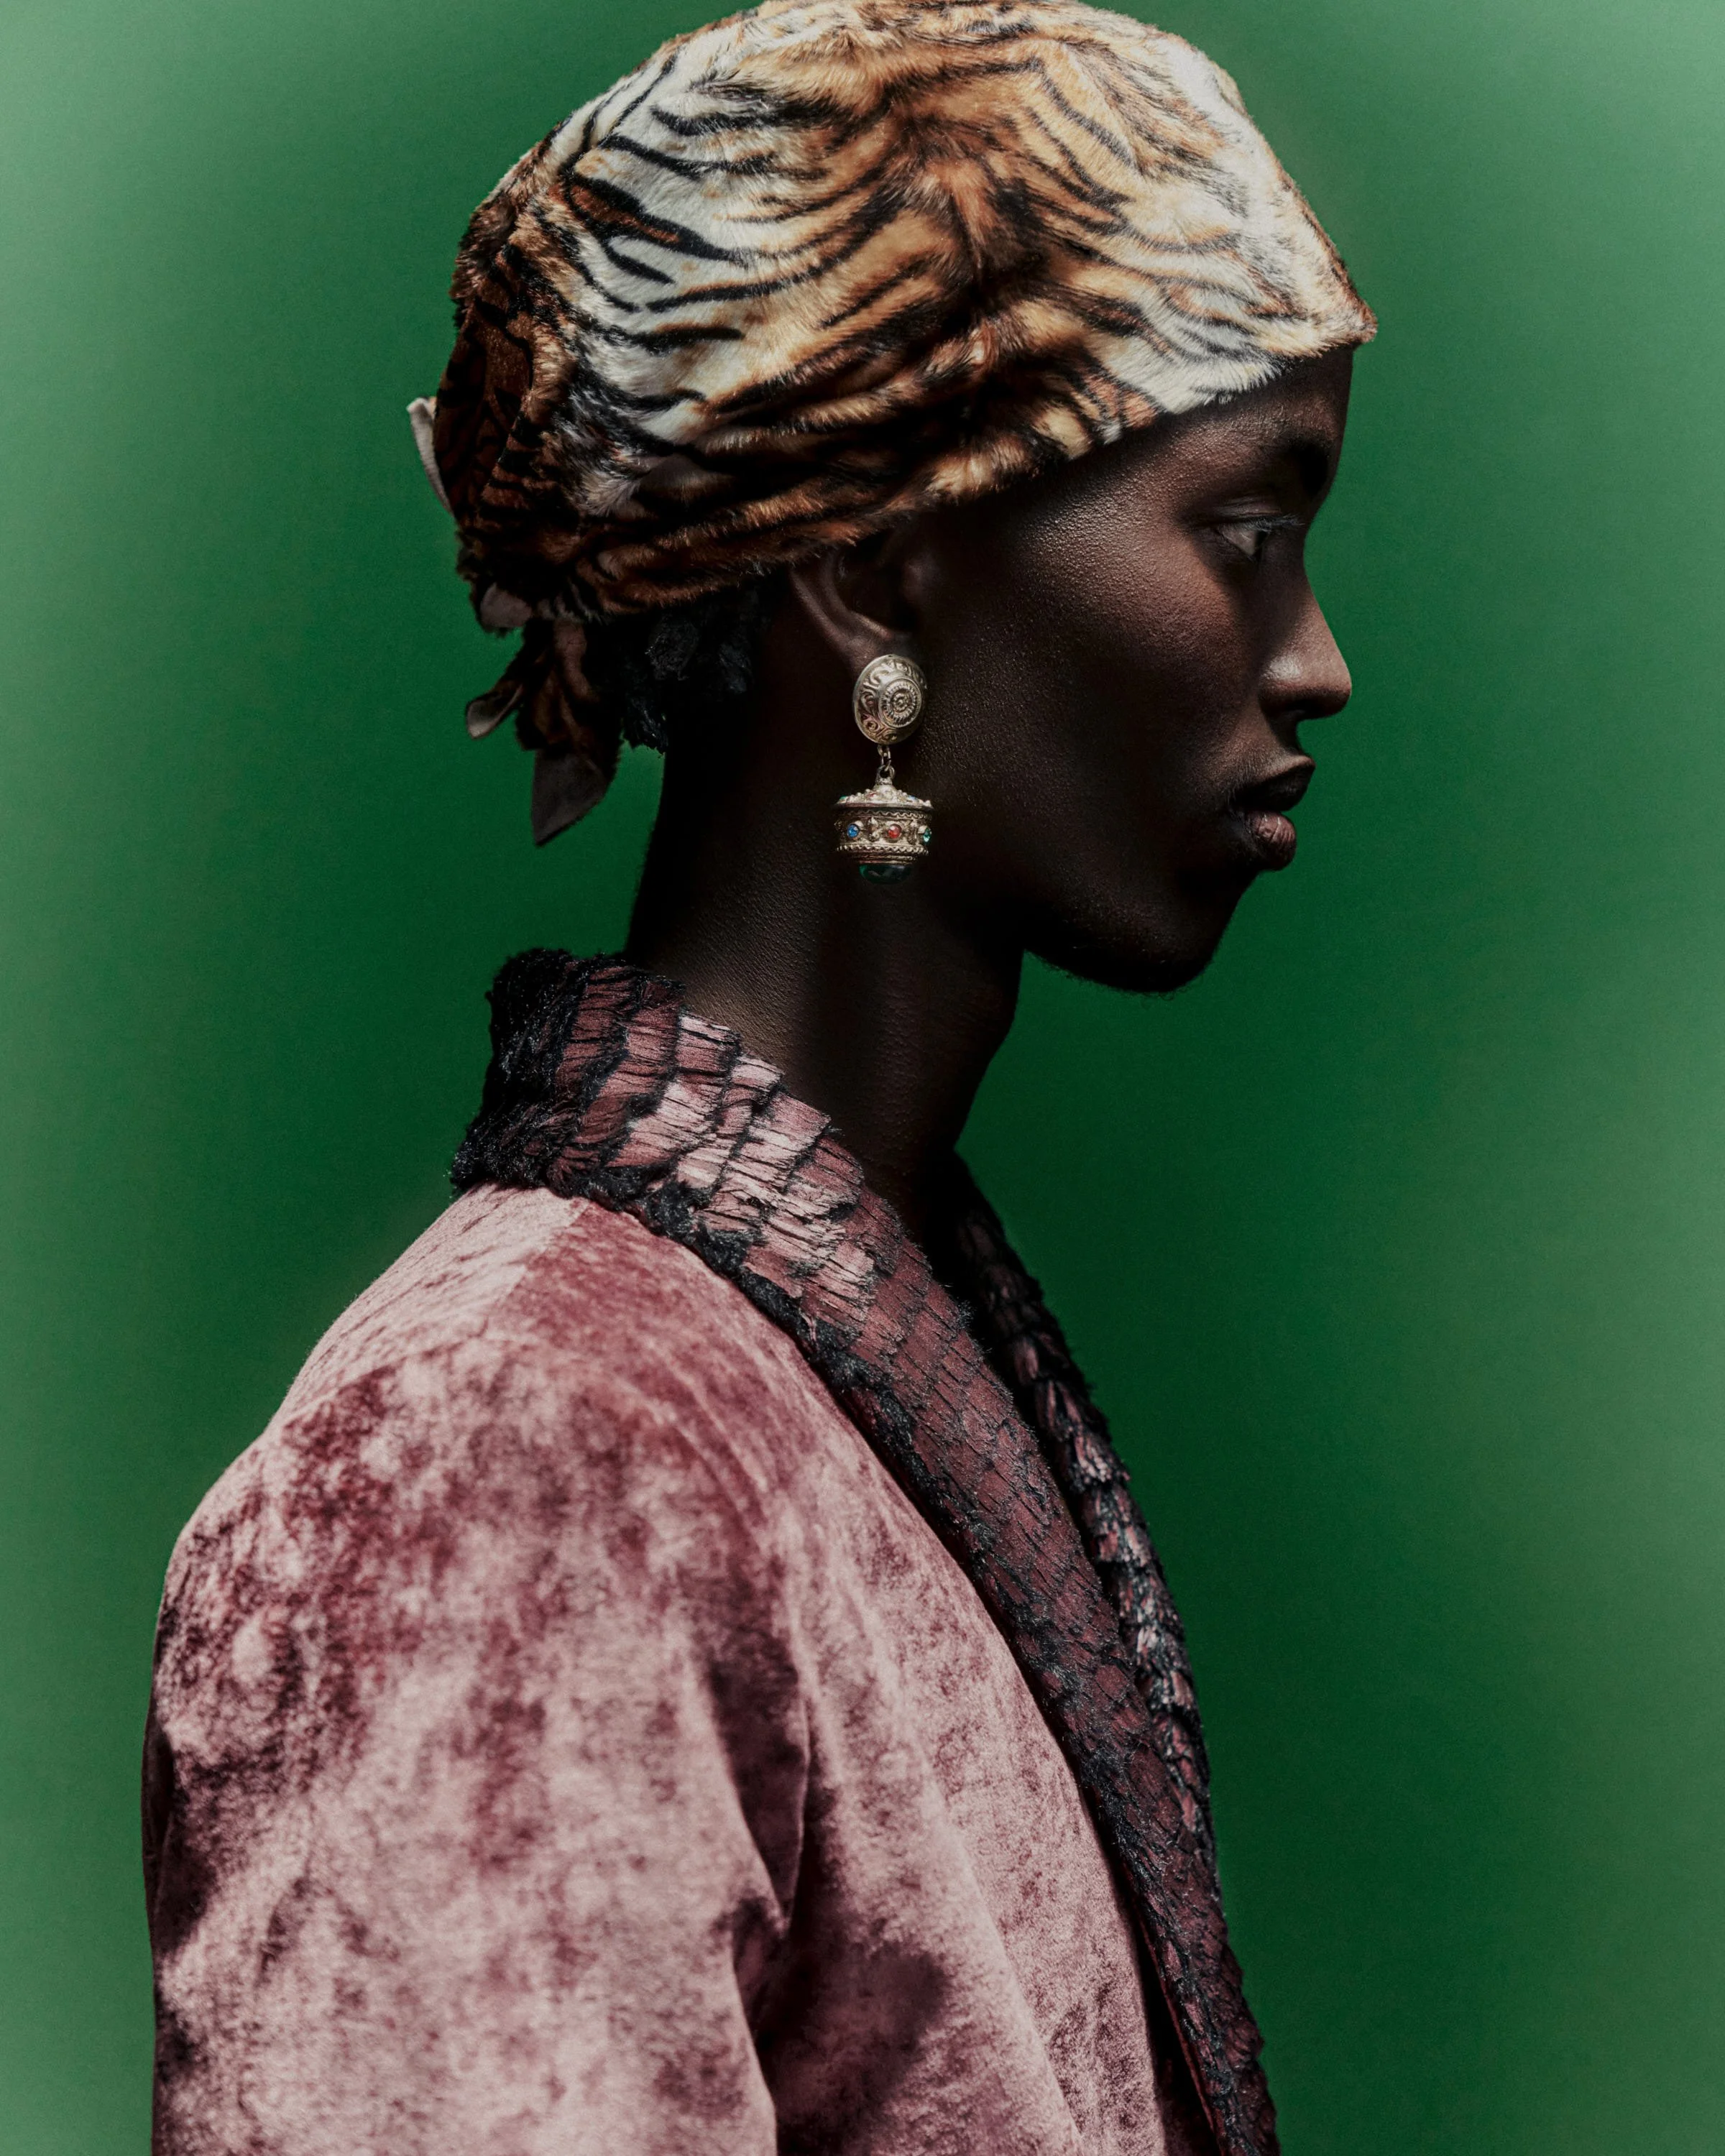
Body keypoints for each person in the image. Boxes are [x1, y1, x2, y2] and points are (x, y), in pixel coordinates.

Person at [142, 4, 1373, 2151]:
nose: (1313, 660)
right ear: (878, 568)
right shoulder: (507, 1455)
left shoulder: (824, 1358)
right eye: (1247, 531)